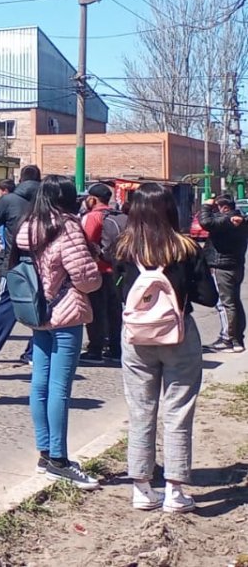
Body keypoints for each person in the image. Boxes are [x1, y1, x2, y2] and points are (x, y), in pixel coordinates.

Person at [112, 182, 219, 513]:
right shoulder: (185, 248)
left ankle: (142, 488)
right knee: (178, 410)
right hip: (179, 335)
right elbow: (209, 296)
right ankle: (175, 491)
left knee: (140, 408)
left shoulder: (123, 248)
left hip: (135, 338)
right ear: (170, 209)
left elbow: (116, 292)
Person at [15, 176, 102, 489]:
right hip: (66, 312)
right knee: (60, 388)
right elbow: (85, 276)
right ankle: (60, 460)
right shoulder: (67, 227)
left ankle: (44, 452)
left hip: (36, 311)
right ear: (66, 199)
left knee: (40, 383)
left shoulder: (28, 225)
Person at [0, 166, 42, 363]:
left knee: (3, 304)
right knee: (41, 307)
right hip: (44, 263)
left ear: (21, 180)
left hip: (14, 261)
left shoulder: (9, 199)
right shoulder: (47, 199)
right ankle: (34, 353)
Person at [80, 183, 126, 364]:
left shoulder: (93, 217)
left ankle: (95, 350)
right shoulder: (121, 216)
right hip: (118, 270)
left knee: (96, 311)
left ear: (92, 199)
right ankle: (115, 349)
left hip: (98, 270)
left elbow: (86, 243)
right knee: (115, 311)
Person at [196, 195, 248, 353]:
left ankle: (228, 339)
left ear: (224, 207)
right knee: (233, 302)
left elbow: (206, 222)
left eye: (218, 208)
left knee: (225, 304)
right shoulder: (239, 220)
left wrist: (205, 206)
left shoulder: (228, 220)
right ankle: (237, 339)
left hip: (222, 267)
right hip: (235, 266)